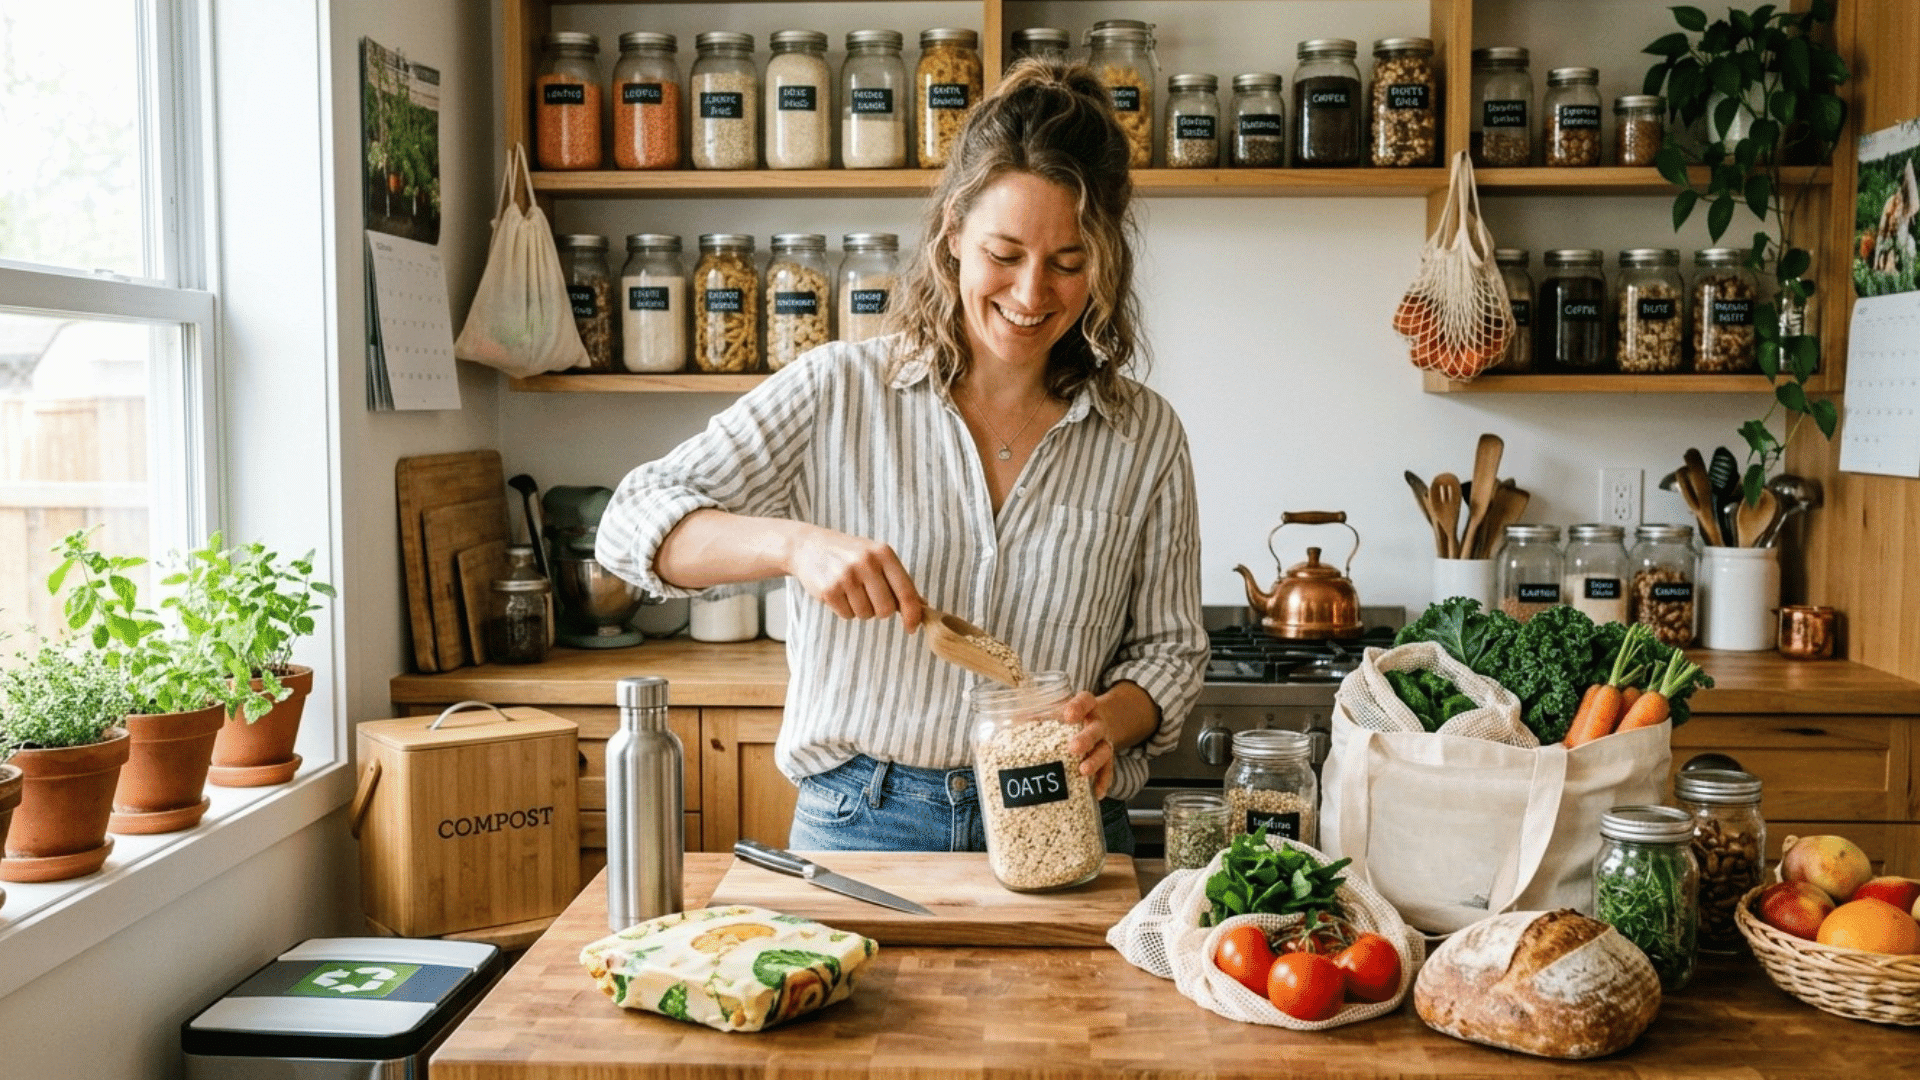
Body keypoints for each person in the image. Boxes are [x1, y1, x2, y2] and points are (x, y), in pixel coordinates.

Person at [595, 58, 1206, 854]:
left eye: (1068, 263)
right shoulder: (837, 389)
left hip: (1061, 811)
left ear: (1105, 263)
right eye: (1005, 252)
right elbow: (630, 524)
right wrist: (793, 544)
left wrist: (1110, 721)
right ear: (954, 232)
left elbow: (1171, 649)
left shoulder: (1144, 434)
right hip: (863, 819)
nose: (1030, 294)